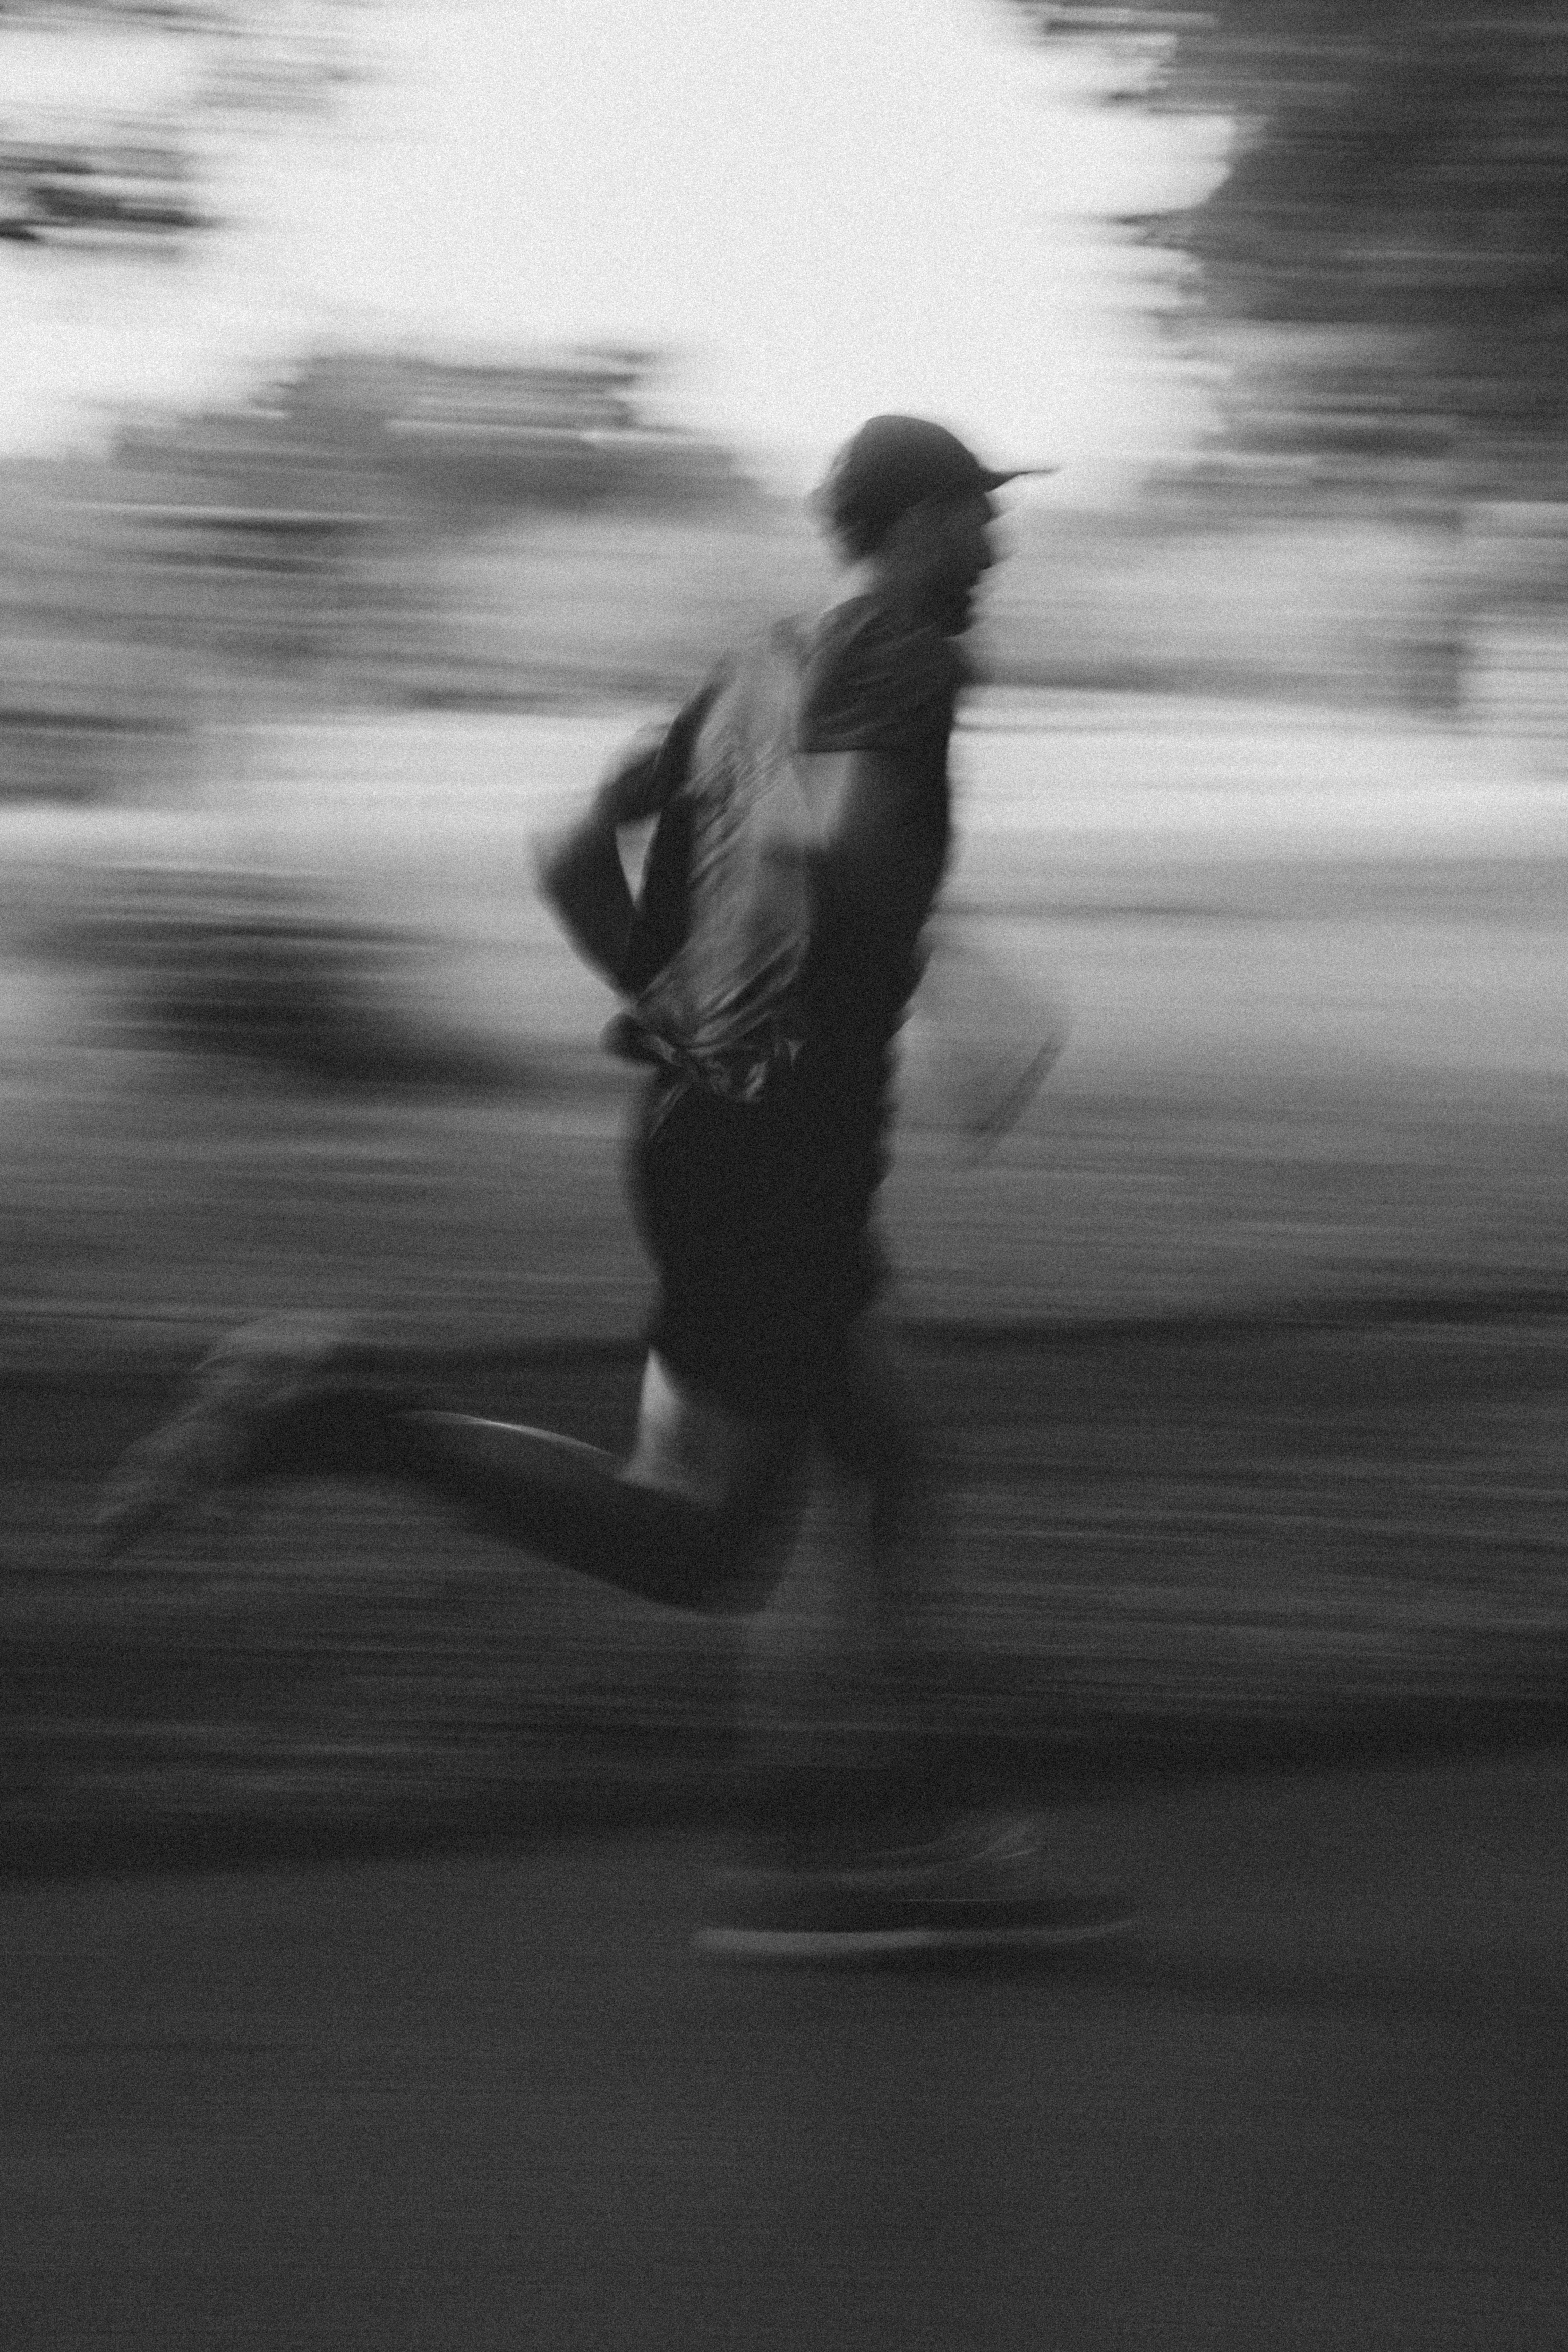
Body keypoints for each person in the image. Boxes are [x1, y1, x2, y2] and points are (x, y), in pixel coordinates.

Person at [97, 414, 1129, 1960]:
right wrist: (958, 976)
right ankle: (338, 1418)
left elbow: (576, 845)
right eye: (981, 515)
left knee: (891, 1459)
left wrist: (671, 1004)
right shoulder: (911, 667)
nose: (999, 544)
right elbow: (823, 851)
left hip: (724, 1135)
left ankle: (856, 1835)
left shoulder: (759, 667)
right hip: (774, 1155)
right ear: (916, 525)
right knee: (701, 1541)